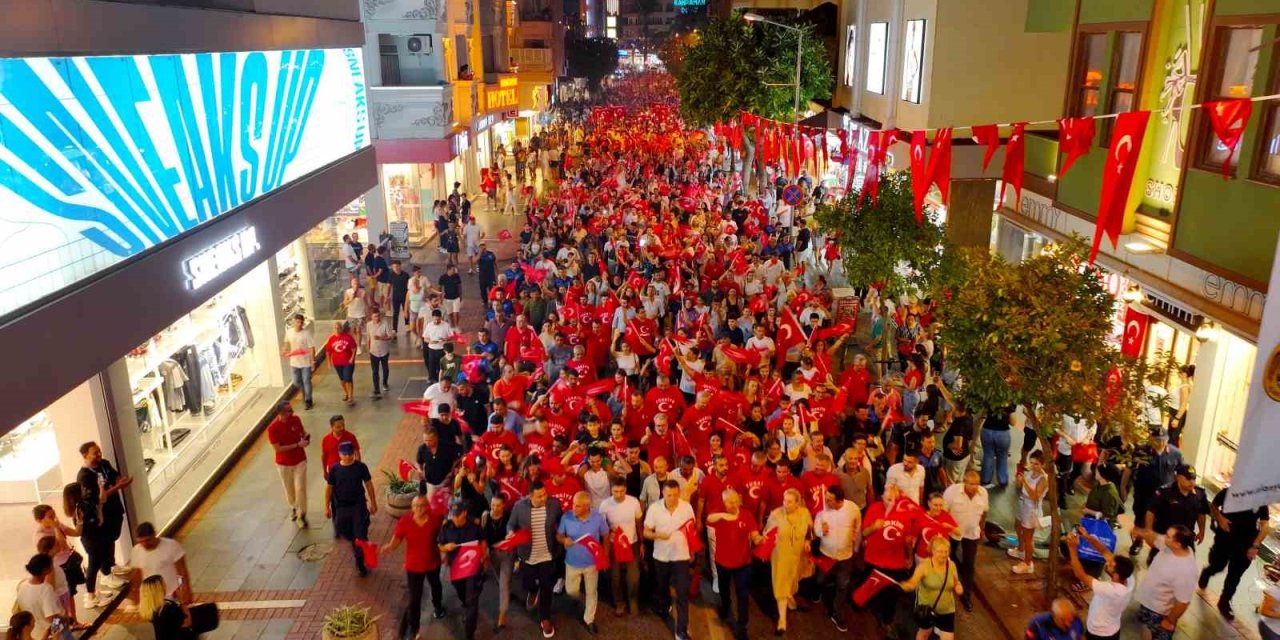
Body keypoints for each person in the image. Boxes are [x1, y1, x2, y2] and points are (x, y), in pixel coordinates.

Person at [1199, 484, 1270, 620]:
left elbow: (1265, 525)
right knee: (1218, 565)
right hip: (1225, 538)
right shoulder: (1229, 492)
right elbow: (1214, 505)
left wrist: (1255, 546)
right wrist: (1220, 519)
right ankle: (1208, 572)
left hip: (1246, 544)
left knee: (1235, 575)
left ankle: (1224, 601)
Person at [382, 494, 445, 640]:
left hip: (432, 563)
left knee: (436, 586)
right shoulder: (405, 521)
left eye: (422, 506)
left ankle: (438, 606)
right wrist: (389, 547)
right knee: (414, 598)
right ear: (412, 507)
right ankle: (413, 628)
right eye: (416, 506)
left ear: (427, 506)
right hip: (413, 566)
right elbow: (397, 539)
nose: (419, 509)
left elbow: (443, 536)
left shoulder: (435, 520)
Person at [76, 441, 131, 607]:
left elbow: (114, 475)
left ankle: (110, 566)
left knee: (112, 538)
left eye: (99, 451)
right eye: (95, 453)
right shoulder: (85, 477)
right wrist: (118, 487)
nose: (99, 455)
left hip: (113, 509)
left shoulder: (104, 464)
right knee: (100, 551)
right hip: (101, 517)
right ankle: (104, 575)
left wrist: (119, 480)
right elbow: (98, 498)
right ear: (85, 455)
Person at [508, 481, 563, 639]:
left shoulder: (554, 504)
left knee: (547, 587)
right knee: (528, 582)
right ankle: (532, 591)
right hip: (527, 555)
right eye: (540, 496)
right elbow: (511, 524)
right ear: (530, 496)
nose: (544, 497)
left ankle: (545, 618)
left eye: (545, 494)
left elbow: (561, 521)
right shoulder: (519, 506)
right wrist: (511, 532)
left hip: (548, 554)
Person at [644, 480, 696, 640]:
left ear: (679, 493)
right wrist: (657, 535)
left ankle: (681, 630)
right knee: (662, 587)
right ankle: (664, 605)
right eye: (668, 495)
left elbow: (691, 530)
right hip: (661, 556)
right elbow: (646, 532)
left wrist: (693, 551)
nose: (672, 498)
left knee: (682, 592)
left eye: (675, 495)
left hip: (681, 556)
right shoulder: (654, 509)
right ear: (663, 494)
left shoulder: (687, 507)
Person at [706, 488, 760, 640]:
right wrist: (725, 515)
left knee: (743, 595)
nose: (735, 504)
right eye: (730, 502)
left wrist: (759, 539)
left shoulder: (747, 514)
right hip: (722, 561)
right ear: (724, 502)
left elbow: (754, 534)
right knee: (724, 589)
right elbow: (710, 519)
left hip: (743, 563)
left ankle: (742, 626)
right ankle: (725, 606)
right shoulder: (718, 514)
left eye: (736, 501)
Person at [1065, 527, 1135, 640]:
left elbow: (1080, 575)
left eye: (1110, 565)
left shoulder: (1110, 590)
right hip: (1113, 628)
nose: (1107, 563)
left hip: (1100, 633)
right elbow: (1104, 551)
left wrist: (1072, 548)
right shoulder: (1129, 577)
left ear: (1116, 575)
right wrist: (1087, 537)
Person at [1130, 525, 1198, 640]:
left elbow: (1183, 602)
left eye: (1168, 536)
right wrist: (1141, 532)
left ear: (1177, 544)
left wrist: (1169, 620)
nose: (1163, 537)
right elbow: (1156, 538)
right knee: (1146, 632)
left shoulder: (1186, 570)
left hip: (1159, 613)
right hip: (1148, 604)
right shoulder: (1171, 547)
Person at [557, 491, 609, 635]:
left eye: (578, 506)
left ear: (587, 506)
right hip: (572, 562)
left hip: (592, 563)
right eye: (573, 504)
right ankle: (577, 597)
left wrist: (605, 554)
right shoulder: (566, 517)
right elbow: (559, 535)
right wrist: (563, 540)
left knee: (592, 592)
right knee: (571, 591)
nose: (573, 508)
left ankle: (589, 619)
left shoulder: (597, 517)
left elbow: (605, 535)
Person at [325, 441, 378, 576]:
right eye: (345, 454)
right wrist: (326, 506)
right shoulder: (334, 470)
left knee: (360, 535)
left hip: (358, 505)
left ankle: (360, 562)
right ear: (339, 454)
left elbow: (369, 485)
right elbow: (329, 489)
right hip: (342, 507)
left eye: (350, 453)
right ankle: (356, 543)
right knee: (343, 530)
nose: (348, 456)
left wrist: (373, 502)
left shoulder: (361, 467)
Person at [765, 487, 812, 636]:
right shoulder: (775, 514)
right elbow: (766, 534)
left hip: (797, 555)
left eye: (790, 502)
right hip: (781, 556)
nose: (786, 504)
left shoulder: (805, 513)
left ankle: (791, 599)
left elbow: (810, 530)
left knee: (793, 581)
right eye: (784, 501)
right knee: (781, 584)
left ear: (798, 503)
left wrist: (807, 540)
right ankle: (782, 620)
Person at [814, 484, 860, 632]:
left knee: (842, 585)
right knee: (821, 580)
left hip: (846, 556)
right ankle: (819, 592)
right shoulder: (822, 512)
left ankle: (837, 613)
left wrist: (856, 547)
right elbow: (816, 529)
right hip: (826, 554)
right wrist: (821, 531)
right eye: (826, 498)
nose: (826, 502)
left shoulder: (853, 509)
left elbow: (858, 527)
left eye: (829, 500)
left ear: (839, 500)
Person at [438, 504, 486, 640]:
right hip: (457, 569)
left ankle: (469, 634)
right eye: (453, 515)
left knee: (472, 602)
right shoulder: (447, 527)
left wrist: (483, 555)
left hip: (473, 568)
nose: (454, 519)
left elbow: (482, 540)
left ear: (464, 513)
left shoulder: (475, 525)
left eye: (457, 516)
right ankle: (465, 602)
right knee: (461, 592)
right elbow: (440, 545)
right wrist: (446, 547)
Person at [898, 536, 961, 640]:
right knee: (924, 633)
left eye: (946, 551)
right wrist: (907, 586)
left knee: (948, 637)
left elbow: (956, 581)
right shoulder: (924, 566)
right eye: (940, 551)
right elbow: (913, 582)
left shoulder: (952, 565)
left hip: (947, 609)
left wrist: (958, 586)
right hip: (927, 609)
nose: (944, 554)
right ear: (933, 551)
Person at [597, 476, 643, 616]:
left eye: (621, 491)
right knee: (615, 577)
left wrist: (641, 543)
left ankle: (633, 600)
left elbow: (639, 523)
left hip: (632, 542)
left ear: (626, 489)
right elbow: (602, 528)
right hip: (614, 544)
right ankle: (619, 603)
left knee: (633, 576)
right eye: (615, 491)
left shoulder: (634, 502)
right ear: (611, 490)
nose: (618, 494)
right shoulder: (604, 505)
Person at [942, 470, 986, 611]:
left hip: (971, 533)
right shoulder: (951, 492)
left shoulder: (983, 493)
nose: (974, 487)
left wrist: (982, 528)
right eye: (971, 484)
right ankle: (946, 588)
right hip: (952, 532)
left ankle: (966, 595)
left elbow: (984, 512)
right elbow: (943, 512)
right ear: (964, 482)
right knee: (946, 559)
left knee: (970, 563)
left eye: (977, 484)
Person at [267, 401, 310, 528]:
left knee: (300, 488)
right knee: (289, 489)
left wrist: (305, 439)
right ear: (281, 413)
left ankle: (302, 514)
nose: (293, 412)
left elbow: (302, 433)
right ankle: (294, 507)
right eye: (289, 411)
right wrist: (297, 445)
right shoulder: (272, 429)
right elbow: (278, 449)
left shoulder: (296, 420)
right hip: (284, 464)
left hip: (299, 461)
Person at [128, 521, 191, 607]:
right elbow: (137, 574)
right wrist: (136, 593)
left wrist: (184, 589)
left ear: (154, 534)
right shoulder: (136, 550)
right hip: (152, 598)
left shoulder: (171, 545)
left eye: (147, 540)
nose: (144, 544)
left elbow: (181, 571)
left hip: (173, 595)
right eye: (141, 542)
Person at [1011, 450, 1048, 575]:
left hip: (1032, 508)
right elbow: (1021, 487)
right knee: (1017, 526)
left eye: (1036, 464)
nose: (1033, 466)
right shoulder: (1029, 472)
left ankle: (1028, 563)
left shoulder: (1043, 479)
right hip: (1022, 503)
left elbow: (1035, 496)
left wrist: (1025, 482)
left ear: (1043, 465)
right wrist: (1019, 481)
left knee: (1028, 537)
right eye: (1031, 463)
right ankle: (1021, 550)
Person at [482, 494, 514, 630]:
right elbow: (482, 537)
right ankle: (506, 594)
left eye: (498, 505)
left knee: (504, 583)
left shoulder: (509, 517)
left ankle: (502, 615)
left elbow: (514, 532)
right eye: (493, 505)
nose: (495, 508)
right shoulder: (485, 516)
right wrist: (485, 555)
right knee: (498, 576)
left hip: (507, 553)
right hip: (492, 553)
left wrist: (510, 535)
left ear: (503, 506)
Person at [15, 555, 63, 639]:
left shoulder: (22, 585)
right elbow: (51, 618)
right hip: (45, 634)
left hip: (31, 632)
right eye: (51, 565)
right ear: (45, 570)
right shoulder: (46, 589)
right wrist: (57, 632)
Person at [139, 574, 195, 640]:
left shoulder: (149, 609)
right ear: (159, 589)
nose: (165, 586)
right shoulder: (167, 608)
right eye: (163, 584)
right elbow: (187, 622)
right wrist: (182, 601)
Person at [281, 313, 316, 409]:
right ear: (294, 322)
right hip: (294, 363)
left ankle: (308, 400)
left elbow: (312, 348)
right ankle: (305, 391)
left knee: (306, 381)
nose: (299, 324)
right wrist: (284, 349)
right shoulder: (289, 332)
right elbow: (286, 342)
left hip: (305, 362)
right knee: (296, 382)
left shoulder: (306, 333)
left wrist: (312, 361)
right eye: (297, 322)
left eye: (301, 322)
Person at [323, 320, 359, 406]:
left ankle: (350, 396)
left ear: (341, 328)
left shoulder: (348, 337)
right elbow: (328, 351)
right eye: (335, 328)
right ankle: (346, 393)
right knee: (342, 379)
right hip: (337, 363)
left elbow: (354, 348)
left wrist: (352, 358)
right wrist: (329, 362)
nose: (337, 329)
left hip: (348, 362)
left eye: (338, 327)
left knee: (348, 378)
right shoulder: (331, 339)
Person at [978, 406, 1013, 487]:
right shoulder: (1010, 400)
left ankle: (985, 479)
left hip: (987, 429)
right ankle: (1002, 480)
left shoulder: (989, 395)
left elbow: (983, 412)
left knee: (988, 455)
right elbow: (1013, 422)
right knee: (1002, 457)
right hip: (1003, 432)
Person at [366, 307, 394, 399]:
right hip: (373, 351)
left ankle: (385, 383)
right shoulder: (368, 325)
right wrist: (368, 349)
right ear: (371, 317)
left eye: (378, 316)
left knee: (385, 368)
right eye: (375, 316)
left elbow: (390, 336)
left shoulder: (385, 323)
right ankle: (376, 388)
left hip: (384, 350)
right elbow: (368, 338)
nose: (377, 318)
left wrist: (381, 338)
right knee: (375, 371)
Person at [421, 309, 454, 381]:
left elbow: (452, 336)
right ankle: (432, 378)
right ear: (432, 317)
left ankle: (442, 379)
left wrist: (446, 339)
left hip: (442, 349)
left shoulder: (446, 325)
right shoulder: (429, 325)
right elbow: (425, 339)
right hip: (432, 349)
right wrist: (430, 341)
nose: (436, 321)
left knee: (441, 366)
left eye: (438, 320)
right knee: (431, 366)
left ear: (441, 317)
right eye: (435, 319)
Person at [390, 260, 412, 331]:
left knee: (406, 311)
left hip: (404, 297)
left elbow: (409, 286)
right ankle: (394, 329)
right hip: (395, 297)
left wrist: (410, 296)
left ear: (400, 266)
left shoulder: (405, 275)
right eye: (393, 267)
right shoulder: (391, 275)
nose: (395, 268)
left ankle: (407, 324)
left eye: (396, 266)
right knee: (395, 313)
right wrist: (387, 296)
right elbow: (389, 285)